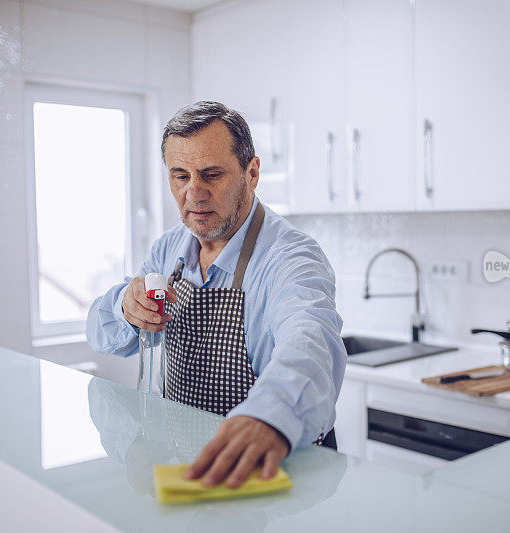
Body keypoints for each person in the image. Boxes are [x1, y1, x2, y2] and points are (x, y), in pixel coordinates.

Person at [87, 101, 346, 489]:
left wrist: (267, 418)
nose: (194, 194)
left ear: (252, 173)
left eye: (211, 174)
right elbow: (101, 336)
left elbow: (310, 343)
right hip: (191, 472)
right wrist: (126, 305)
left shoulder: (291, 257)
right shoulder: (167, 251)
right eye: (180, 176)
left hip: (276, 474)